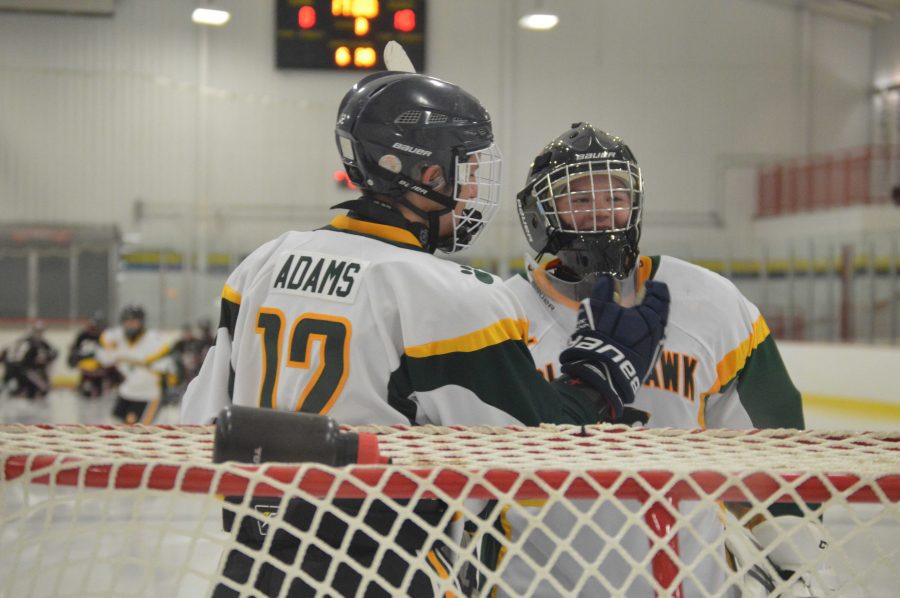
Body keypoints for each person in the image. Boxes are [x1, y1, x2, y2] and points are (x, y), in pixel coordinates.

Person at [181, 74, 669, 598]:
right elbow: (539, 442)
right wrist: (599, 379)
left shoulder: (263, 261)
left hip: (252, 565)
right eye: (470, 169)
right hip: (379, 570)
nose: (475, 190)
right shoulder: (445, 291)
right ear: (430, 174)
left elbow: (201, 417)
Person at [492, 122, 825, 596]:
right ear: (541, 212)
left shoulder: (708, 301)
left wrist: (796, 559)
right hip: (538, 583)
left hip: (692, 582)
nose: (601, 214)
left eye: (615, 197)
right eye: (579, 200)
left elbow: (772, 447)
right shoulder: (499, 315)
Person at [97, 305, 175, 424]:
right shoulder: (115, 337)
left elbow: (168, 366)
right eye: (127, 321)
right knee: (117, 431)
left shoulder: (154, 340)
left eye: (134, 321)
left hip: (148, 395)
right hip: (126, 392)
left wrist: (171, 384)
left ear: (141, 322)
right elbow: (103, 358)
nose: (130, 325)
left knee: (141, 433)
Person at [67, 311, 120, 399]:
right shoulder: (83, 335)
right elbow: (74, 352)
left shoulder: (106, 336)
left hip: (102, 372)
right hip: (87, 372)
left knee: (102, 395)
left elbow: (112, 355)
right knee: (87, 395)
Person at [0, 320, 58, 399]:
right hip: (23, 369)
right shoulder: (36, 343)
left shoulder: (22, 340)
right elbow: (47, 357)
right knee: (44, 388)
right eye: (38, 331)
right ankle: (22, 390)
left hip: (12, 368)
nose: (39, 334)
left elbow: (4, 353)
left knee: (8, 385)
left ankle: (20, 390)